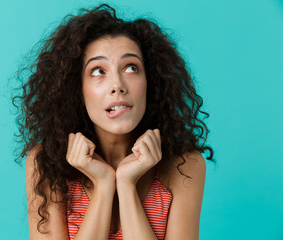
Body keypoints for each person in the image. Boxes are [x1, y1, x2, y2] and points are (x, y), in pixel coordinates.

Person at [12, 3, 214, 240]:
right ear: (77, 89)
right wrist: (104, 184)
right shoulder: (44, 164)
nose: (117, 85)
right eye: (98, 71)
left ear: (151, 82)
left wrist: (126, 185)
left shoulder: (184, 166)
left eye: (131, 67)